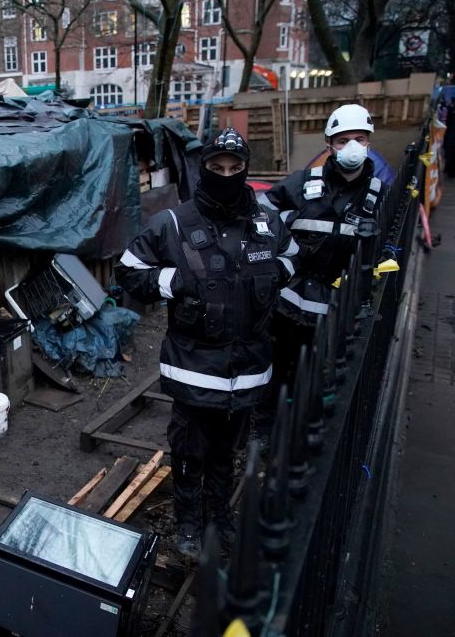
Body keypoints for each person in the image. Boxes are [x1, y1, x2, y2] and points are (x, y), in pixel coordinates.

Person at [115, 128, 298, 561]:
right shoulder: (174, 223)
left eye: (235, 169)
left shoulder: (266, 222)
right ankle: (189, 524)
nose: (227, 175)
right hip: (193, 368)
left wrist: (274, 278)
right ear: (204, 169)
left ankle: (219, 515)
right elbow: (127, 270)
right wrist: (172, 282)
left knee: (225, 452)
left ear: (246, 171)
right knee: (188, 451)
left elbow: (291, 256)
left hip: (248, 368)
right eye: (217, 168)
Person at [256, 104, 385, 407]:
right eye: (343, 140)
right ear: (329, 144)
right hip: (288, 298)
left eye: (360, 139)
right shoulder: (303, 182)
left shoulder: (379, 195)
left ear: (369, 142)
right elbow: (260, 216)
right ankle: (267, 425)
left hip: (337, 304)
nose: (352, 147)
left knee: (319, 375)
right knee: (277, 365)